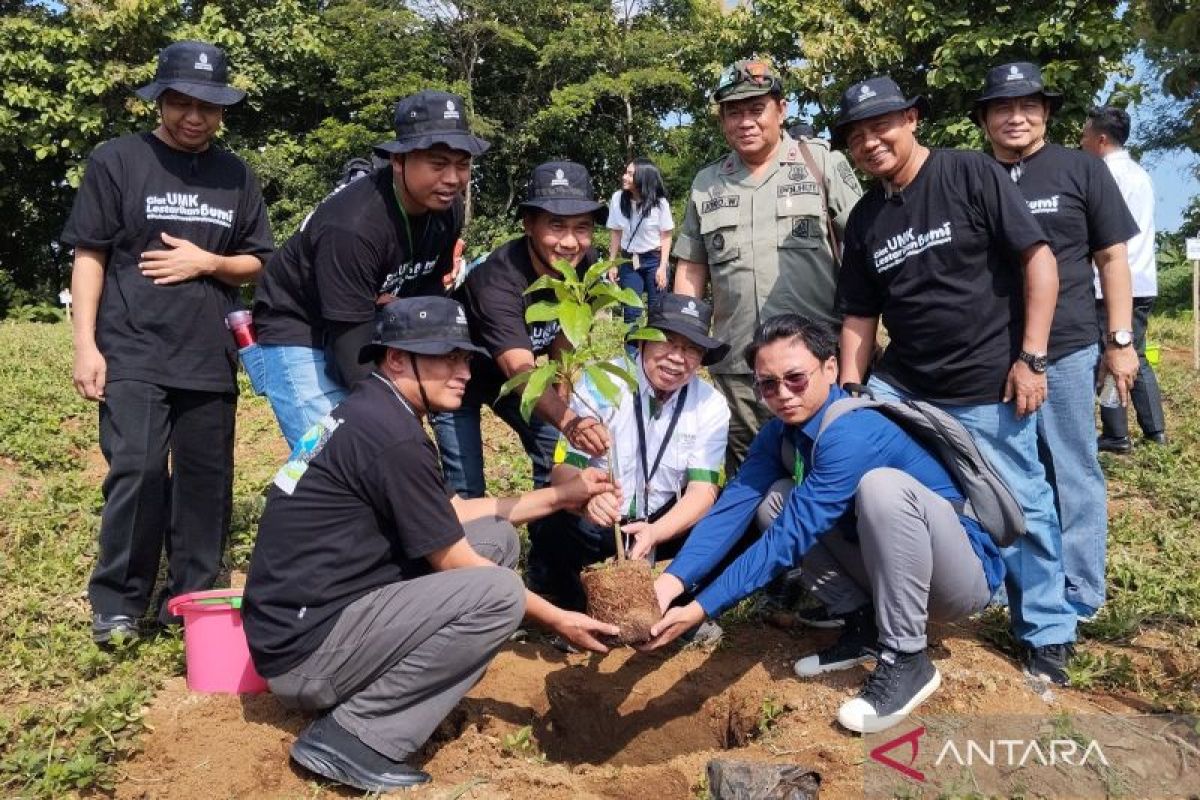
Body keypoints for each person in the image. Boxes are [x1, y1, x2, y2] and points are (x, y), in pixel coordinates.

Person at [243, 296, 620, 793]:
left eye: (465, 357)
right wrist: (559, 618)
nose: (463, 371)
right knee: (499, 590)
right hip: (307, 654)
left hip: (317, 618)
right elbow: (454, 559)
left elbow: (451, 517)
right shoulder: (390, 435)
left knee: (497, 540)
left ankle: (388, 691)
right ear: (396, 358)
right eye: (447, 357)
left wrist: (559, 496)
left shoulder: (377, 411)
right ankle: (353, 737)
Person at [642, 315, 1002, 734]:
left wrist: (702, 607)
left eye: (795, 378)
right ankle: (864, 625)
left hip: (956, 581)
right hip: (885, 570)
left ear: (830, 369)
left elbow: (788, 540)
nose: (783, 394)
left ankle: (907, 658)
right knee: (776, 498)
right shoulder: (779, 433)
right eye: (768, 385)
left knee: (882, 489)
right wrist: (670, 585)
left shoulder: (853, 431)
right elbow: (731, 508)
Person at [831, 76, 1079, 684]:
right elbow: (860, 316)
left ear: (912, 119)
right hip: (904, 386)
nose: (870, 142)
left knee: (1021, 504)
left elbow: (1037, 261)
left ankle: (1047, 632)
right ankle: (875, 609)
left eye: (880, 126)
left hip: (986, 383)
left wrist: (1033, 358)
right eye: (857, 135)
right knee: (845, 471)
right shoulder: (866, 218)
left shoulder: (968, 173)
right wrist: (850, 390)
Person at [62, 40, 273, 644]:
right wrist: (85, 345)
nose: (193, 116)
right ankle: (118, 601)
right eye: (180, 101)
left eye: (207, 105)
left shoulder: (235, 175)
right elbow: (89, 254)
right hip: (130, 348)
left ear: (222, 110)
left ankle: (192, 594)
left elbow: (259, 260)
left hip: (208, 353)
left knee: (207, 479)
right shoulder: (118, 160)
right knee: (137, 469)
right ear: (160, 100)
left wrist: (209, 261)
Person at [975, 63, 1140, 621]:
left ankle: (1081, 589)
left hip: (1068, 345)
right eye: (1002, 108)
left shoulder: (1080, 170)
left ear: (1045, 113)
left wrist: (1119, 339)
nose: (1015, 117)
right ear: (985, 119)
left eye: (1027, 106)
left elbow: (1112, 258)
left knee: (1072, 467)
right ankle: (1010, 583)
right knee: (1003, 474)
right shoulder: (975, 175)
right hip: (995, 351)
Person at [251, 90, 487, 447]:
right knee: (335, 453)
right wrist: (393, 413)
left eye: (463, 164)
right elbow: (352, 352)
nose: (453, 178)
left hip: (367, 318)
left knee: (389, 443)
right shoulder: (353, 226)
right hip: (301, 327)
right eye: (438, 164)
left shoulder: (446, 209)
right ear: (398, 161)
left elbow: (426, 300)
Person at [673, 59, 863, 471]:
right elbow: (691, 271)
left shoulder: (821, 163)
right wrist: (683, 344)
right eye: (733, 111)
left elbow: (867, 247)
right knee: (752, 473)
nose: (745, 121)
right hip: (739, 368)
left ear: (782, 109)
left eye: (756, 108)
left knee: (829, 469)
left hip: (814, 365)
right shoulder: (707, 183)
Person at [528, 293, 731, 612]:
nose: (678, 358)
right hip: (603, 515)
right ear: (642, 343)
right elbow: (563, 469)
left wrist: (655, 532)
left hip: (663, 521)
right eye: (667, 342)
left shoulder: (711, 405)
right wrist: (587, 499)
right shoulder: (603, 380)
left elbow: (702, 491)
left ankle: (681, 606)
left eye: (691, 348)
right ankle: (566, 599)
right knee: (552, 513)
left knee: (731, 521)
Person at [433, 161, 611, 499]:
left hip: (518, 378)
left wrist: (562, 392)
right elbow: (521, 370)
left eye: (582, 227)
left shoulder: (585, 266)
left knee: (555, 456)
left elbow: (567, 333)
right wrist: (571, 421)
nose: (570, 242)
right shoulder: (497, 280)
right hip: (457, 378)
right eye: (556, 226)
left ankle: (549, 542)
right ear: (528, 224)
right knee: (468, 487)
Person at [1082, 104, 1169, 451]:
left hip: (1112, 284)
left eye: (1085, 134)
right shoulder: (1140, 174)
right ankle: (1154, 431)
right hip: (1143, 278)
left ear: (1101, 139)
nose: (1081, 139)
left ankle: (1117, 433)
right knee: (1139, 354)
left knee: (1109, 355)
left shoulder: (1104, 175)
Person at [606, 158, 675, 354]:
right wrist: (612, 263)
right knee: (631, 312)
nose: (624, 177)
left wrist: (663, 267)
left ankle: (655, 355)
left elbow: (666, 236)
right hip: (629, 260)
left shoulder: (660, 204)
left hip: (654, 260)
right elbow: (616, 232)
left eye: (630, 174)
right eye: (626, 172)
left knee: (657, 312)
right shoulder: (618, 199)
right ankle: (632, 358)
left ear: (642, 179)